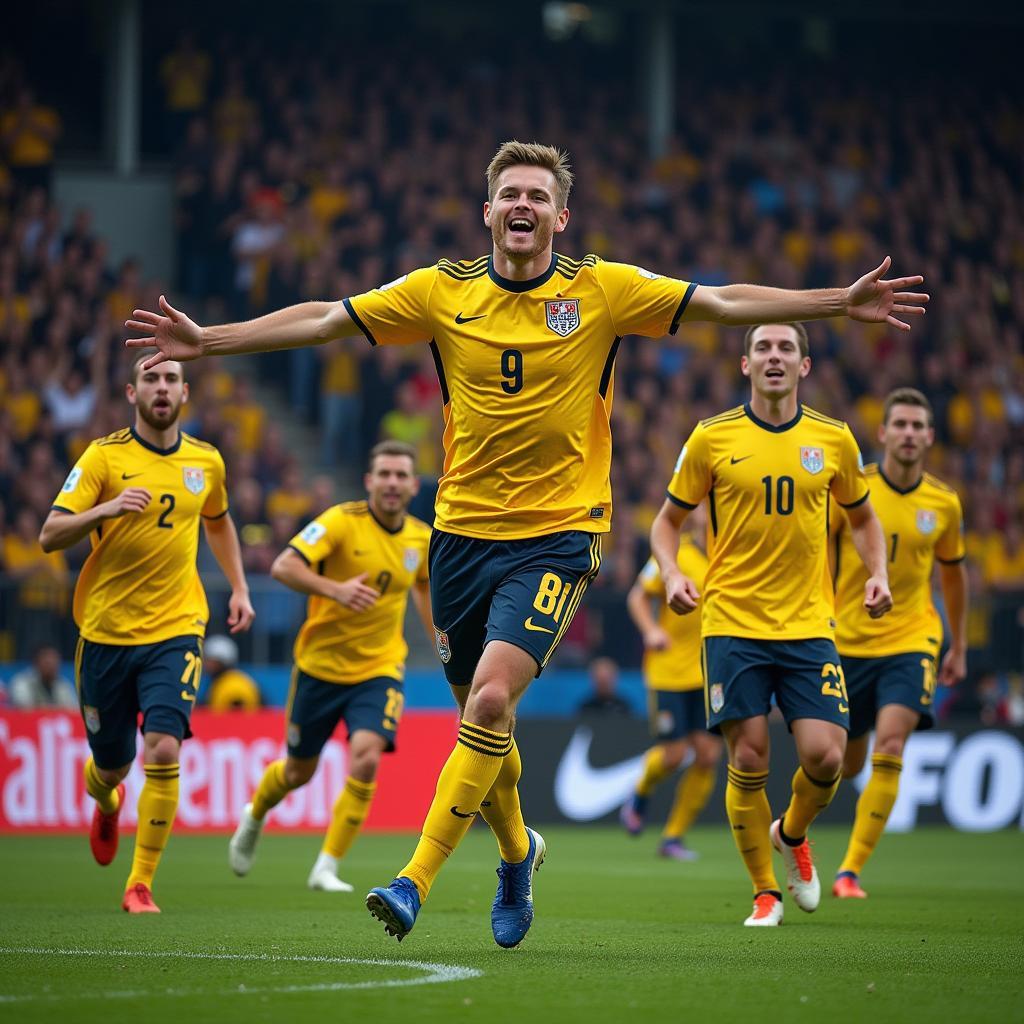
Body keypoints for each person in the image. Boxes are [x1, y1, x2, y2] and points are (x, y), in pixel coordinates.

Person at [125, 140, 926, 945]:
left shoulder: (600, 290)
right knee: (487, 722)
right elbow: (328, 321)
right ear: (487, 210)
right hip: (461, 540)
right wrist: (213, 341)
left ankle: (414, 881)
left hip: (559, 536)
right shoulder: (442, 292)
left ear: (560, 216)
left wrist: (831, 302)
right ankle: (517, 853)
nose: (522, 206)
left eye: (538, 197)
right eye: (510, 193)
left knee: (493, 698)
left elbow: (719, 303)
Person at [650, 323, 892, 927]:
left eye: (787, 348)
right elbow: (665, 523)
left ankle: (792, 832)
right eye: (764, 347)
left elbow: (863, 520)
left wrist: (877, 572)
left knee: (827, 758)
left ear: (805, 367)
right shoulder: (711, 437)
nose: (775, 356)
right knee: (751, 756)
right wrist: (671, 572)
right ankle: (765, 892)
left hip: (810, 623)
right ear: (745, 363)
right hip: (732, 621)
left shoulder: (834, 440)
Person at [39, 357, 254, 913]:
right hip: (106, 632)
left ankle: (140, 884)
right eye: (151, 380)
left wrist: (238, 587)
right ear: (133, 391)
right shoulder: (104, 457)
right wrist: (107, 508)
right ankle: (105, 801)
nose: (162, 389)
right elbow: (49, 534)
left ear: (185, 392)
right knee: (112, 765)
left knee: (162, 747)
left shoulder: (205, 460)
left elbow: (219, 519)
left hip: (177, 628)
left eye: (171, 380)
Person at [228, 440, 432, 893]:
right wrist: (336, 590)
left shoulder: (420, 537)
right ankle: (255, 814)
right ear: (369, 481)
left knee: (366, 755)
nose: (393, 483)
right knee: (299, 772)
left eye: (401, 475)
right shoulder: (341, 522)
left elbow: (423, 588)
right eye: (385, 474)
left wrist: (442, 640)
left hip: (379, 668)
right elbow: (283, 567)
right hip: (320, 666)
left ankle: (326, 866)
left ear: (414, 485)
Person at [831, 388, 967, 899]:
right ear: (883, 432)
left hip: (913, 637)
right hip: (845, 638)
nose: (909, 434)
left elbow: (953, 578)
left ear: (930, 436)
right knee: (843, 763)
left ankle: (849, 872)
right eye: (901, 425)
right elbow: (821, 549)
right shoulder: (851, 489)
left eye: (918, 426)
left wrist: (957, 647)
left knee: (892, 745)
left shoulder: (944, 503)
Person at [621, 503, 723, 860]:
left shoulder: (734, 557)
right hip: (669, 671)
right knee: (673, 754)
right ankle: (640, 790)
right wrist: (651, 631)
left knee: (709, 754)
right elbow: (637, 595)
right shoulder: (674, 551)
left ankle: (673, 837)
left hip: (712, 672)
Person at [8, 644, 77, 710]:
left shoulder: (63, 685)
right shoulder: (21, 682)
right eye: (47, 662)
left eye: (54, 662)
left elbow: (72, 710)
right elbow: (23, 708)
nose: (51, 667)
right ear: (36, 662)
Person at [203, 634, 261, 711]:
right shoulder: (222, 681)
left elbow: (237, 718)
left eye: (208, 659)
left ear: (219, 662)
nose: (205, 663)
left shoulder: (233, 684)